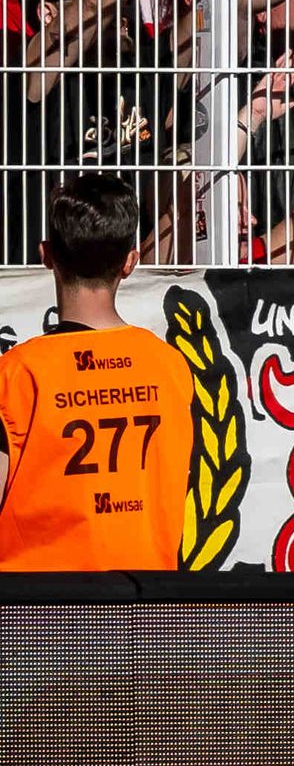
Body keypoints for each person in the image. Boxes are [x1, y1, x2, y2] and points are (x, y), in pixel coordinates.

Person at [0, 181, 180, 573]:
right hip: (147, 605)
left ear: (46, 256)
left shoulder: (17, 372)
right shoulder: (171, 367)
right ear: (130, 262)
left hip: (34, 610)